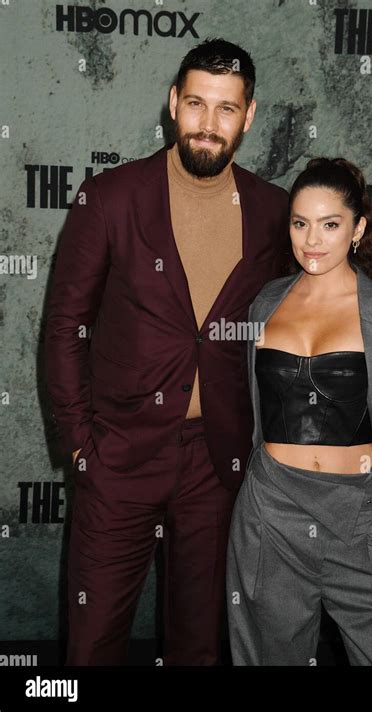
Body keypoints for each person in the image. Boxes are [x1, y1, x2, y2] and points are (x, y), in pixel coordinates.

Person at [44, 38, 290, 666]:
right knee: (91, 644)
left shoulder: (273, 212)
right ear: (173, 103)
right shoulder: (110, 197)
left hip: (218, 463)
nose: (209, 125)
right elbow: (65, 325)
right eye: (197, 104)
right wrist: (79, 443)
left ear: (250, 115)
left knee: (201, 646)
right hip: (118, 456)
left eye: (227, 109)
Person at [226, 157, 372, 665]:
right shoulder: (265, 305)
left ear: (358, 228)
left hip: (364, 523)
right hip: (271, 516)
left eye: (330, 224)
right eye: (300, 223)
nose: (312, 240)